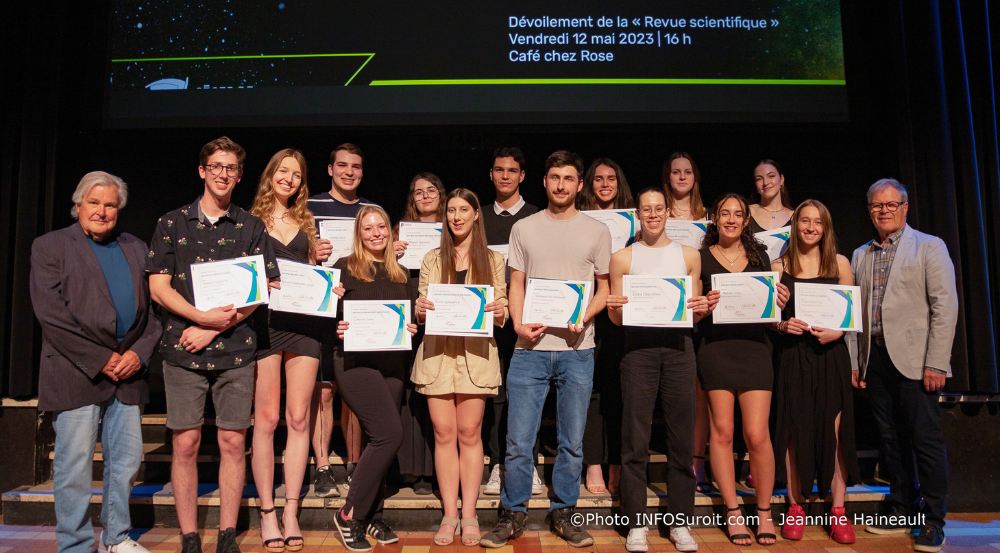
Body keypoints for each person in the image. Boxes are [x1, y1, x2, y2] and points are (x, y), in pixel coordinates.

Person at [147, 137, 279, 553]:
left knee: (232, 441)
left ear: (240, 176)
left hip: (236, 349)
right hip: (182, 348)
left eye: (231, 168)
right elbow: (157, 286)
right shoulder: (172, 223)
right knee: (184, 442)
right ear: (202, 171)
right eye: (216, 166)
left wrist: (213, 327)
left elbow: (260, 291)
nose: (223, 174)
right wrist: (200, 319)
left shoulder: (251, 226)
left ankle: (226, 534)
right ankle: (188, 536)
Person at [480, 150, 611, 548]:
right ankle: (513, 513)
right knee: (519, 441)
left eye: (568, 179)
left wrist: (584, 317)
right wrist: (518, 324)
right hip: (529, 348)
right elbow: (515, 283)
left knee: (572, 441)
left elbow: (605, 288)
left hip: (577, 349)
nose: (560, 185)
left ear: (579, 184)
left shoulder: (596, 230)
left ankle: (565, 513)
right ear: (544, 181)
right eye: (554, 177)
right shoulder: (525, 227)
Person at [30, 172, 160, 553]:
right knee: (74, 467)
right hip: (75, 372)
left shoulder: (136, 247)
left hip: (128, 374)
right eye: (94, 203)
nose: (102, 212)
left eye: (110, 205)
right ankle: (74, 545)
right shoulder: (50, 246)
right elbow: (51, 314)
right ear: (79, 205)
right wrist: (102, 359)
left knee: (127, 461)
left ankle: (117, 538)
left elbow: (155, 313)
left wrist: (139, 353)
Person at [851, 179, 957, 553]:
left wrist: (937, 362)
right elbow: (855, 314)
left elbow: (945, 307)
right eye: (877, 206)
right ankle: (901, 507)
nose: (884, 211)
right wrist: (856, 362)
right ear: (870, 210)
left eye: (891, 204)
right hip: (875, 358)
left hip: (916, 360)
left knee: (924, 440)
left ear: (905, 206)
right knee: (890, 439)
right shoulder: (860, 254)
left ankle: (933, 520)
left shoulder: (929, 246)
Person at [606, 187, 709, 553]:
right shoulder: (622, 258)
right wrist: (614, 306)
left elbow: (695, 312)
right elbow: (616, 319)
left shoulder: (689, 255)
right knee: (635, 439)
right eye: (646, 209)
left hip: (680, 350)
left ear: (668, 212)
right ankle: (636, 523)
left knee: (681, 440)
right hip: (638, 351)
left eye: (659, 208)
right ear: (638, 214)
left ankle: (680, 522)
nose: (653, 215)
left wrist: (702, 307)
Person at [412, 188, 508, 546]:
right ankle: (449, 514)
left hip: (475, 358)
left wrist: (500, 311)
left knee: (470, 434)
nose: (456, 216)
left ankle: (470, 513)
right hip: (438, 357)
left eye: (463, 209)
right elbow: (422, 307)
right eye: (451, 210)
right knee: (443, 434)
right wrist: (420, 309)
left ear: (475, 215)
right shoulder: (432, 258)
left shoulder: (494, 260)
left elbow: (503, 312)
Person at [697, 194, 789, 546]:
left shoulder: (760, 257)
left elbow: (769, 315)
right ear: (715, 218)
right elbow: (690, 313)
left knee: (757, 434)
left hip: (753, 350)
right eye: (725, 214)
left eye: (738, 214)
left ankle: (764, 512)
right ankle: (733, 512)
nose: (732, 219)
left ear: (746, 220)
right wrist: (704, 306)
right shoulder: (701, 258)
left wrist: (778, 304)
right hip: (715, 350)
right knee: (721, 431)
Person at [771, 200, 860, 544]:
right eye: (804, 221)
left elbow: (851, 316)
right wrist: (782, 324)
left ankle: (838, 511)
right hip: (793, 356)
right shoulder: (779, 265)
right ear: (794, 226)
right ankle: (796, 506)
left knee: (835, 433)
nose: (810, 227)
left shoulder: (839, 263)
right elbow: (768, 318)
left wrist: (839, 331)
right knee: (795, 431)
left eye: (817, 222)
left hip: (831, 356)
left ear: (826, 228)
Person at [249, 149, 324, 552]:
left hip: (303, 325)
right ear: (270, 174)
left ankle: (291, 509)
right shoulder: (248, 220)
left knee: (299, 418)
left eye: (297, 174)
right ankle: (266, 511)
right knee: (266, 418)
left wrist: (330, 286)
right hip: (265, 325)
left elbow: (315, 275)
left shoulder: (307, 222)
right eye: (283, 171)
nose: (290, 179)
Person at [332, 205, 419, 552]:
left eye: (381, 226)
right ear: (359, 233)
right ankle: (348, 515)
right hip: (355, 362)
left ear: (390, 229)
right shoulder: (343, 268)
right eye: (368, 229)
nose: (376, 233)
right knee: (389, 434)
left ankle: (371, 515)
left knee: (377, 439)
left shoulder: (401, 272)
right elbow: (326, 314)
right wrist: (334, 323)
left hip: (393, 362)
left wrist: (414, 325)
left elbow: (412, 318)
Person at [307, 143, 376, 499]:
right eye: (343, 166)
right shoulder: (310, 206)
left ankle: (352, 464)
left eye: (357, 166)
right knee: (324, 391)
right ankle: (322, 466)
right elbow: (293, 255)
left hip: (359, 309)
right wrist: (310, 252)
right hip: (322, 310)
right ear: (331, 169)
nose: (350, 172)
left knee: (352, 391)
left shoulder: (371, 211)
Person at [478, 147, 543, 497]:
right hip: (487, 320)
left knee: (527, 395)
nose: (506, 176)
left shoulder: (537, 216)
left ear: (522, 176)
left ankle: (527, 464)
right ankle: (498, 463)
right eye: (499, 170)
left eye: (512, 170)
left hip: (528, 320)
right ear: (491, 175)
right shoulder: (478, 217)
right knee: (495, 395)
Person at [576, 158, 634, 494]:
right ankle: (593, 463)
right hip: (585, 309)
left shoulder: (634, 220)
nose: (605, 184)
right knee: (590, 393)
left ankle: (616, 462)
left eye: (611, 178)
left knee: (618, 393)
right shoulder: (578, 219)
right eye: (598, 179)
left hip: (622, 315)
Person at [392, 173, 447, 495]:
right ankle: (410, 469)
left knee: (435, 390)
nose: (425, 197)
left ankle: (432, 470)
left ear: (440, 194)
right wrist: (391, 254)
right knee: (408, 392)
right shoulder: (399, 233)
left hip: (442, 313)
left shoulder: (452, 231)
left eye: (431, 190)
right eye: (418, 192)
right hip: (408, 316)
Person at [662, 152, 711, 492]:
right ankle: (673, 460)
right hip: (662, 309)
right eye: (676, 172)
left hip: (699, 309)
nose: (682, 177)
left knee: (700, 393)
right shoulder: (656, 214)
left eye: (688, 172)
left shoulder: (707, 218)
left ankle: (697, 463)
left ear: (695, 176)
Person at [748, 160, 794, 233]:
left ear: (782, 179)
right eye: (759, 179)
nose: (765, 182)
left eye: (771, 176)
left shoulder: (794, 217)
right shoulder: (747, 212)